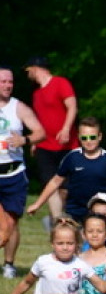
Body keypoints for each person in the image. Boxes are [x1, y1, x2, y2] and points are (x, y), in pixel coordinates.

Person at [25, 117, 106, 226]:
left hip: (98, 213)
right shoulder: (72, 157)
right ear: (79, 137)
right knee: (70, 245)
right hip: (73, 211)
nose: (88, 141)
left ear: (100, 136)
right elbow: (55, 182)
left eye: (92, 137)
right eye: (84, 138)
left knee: (94, 246)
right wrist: (37, 204)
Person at [0, 65, 45, 278]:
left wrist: (24, 140)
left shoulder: (19, 108)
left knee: (10, 225)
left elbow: (40, 132)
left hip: (14, 172)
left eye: (10, 82)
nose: (8, 85)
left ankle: (9, 264)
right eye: (3, 82)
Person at [24, 56, 77, 229]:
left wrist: (66, 128)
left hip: (67, 145)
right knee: (50, 184)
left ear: (36, 68)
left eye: (28, 70)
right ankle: (57, 226)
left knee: (65, 189)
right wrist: (34, 140)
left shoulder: (60, 83)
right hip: (45, 146)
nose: (27, 73)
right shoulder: (36, 94)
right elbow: (39, 120)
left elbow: (72, 106)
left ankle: (65, 218)